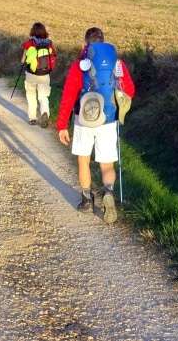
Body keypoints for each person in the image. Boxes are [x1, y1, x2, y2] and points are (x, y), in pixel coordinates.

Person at [56, 27, 135, 224]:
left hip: (84, 119)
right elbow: (130, 91)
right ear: (103, 42)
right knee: (106, 163)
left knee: (84, 160)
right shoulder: (117, 63)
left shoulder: (79, 65)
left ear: (86, 44)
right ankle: (108, 192)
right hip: (108, 120)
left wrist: (62, 125)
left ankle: (86, 200)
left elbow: (68, 96)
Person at [21, 22, 57, 128]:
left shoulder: (29, 43)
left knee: (31, 96)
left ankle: (32, 118)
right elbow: (54, 54)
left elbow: (23, 60)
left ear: (32, 31)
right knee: (43, 96)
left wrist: (24, 61)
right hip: (45, 74)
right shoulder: (49, 43)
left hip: (31, 74)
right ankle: (45, 112)